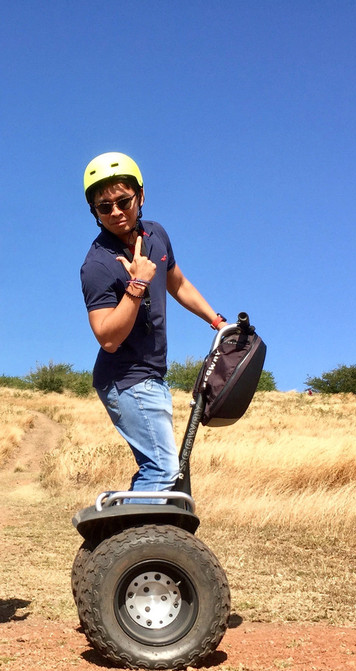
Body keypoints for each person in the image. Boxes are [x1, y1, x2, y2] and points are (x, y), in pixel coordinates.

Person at [79, 152, 225, 493]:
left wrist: (216, 321)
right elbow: (107, 338)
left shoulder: (157, 234)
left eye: (123, 201)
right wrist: (136, 285)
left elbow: (178, 283)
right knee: (162, 472)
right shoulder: (97, 264)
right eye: (104, 207)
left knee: (164, 474)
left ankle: (136, 540)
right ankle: (118, 544)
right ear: (94, 212)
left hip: (153, 374)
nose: (115, 212)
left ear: (140, 196)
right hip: (124, 378)